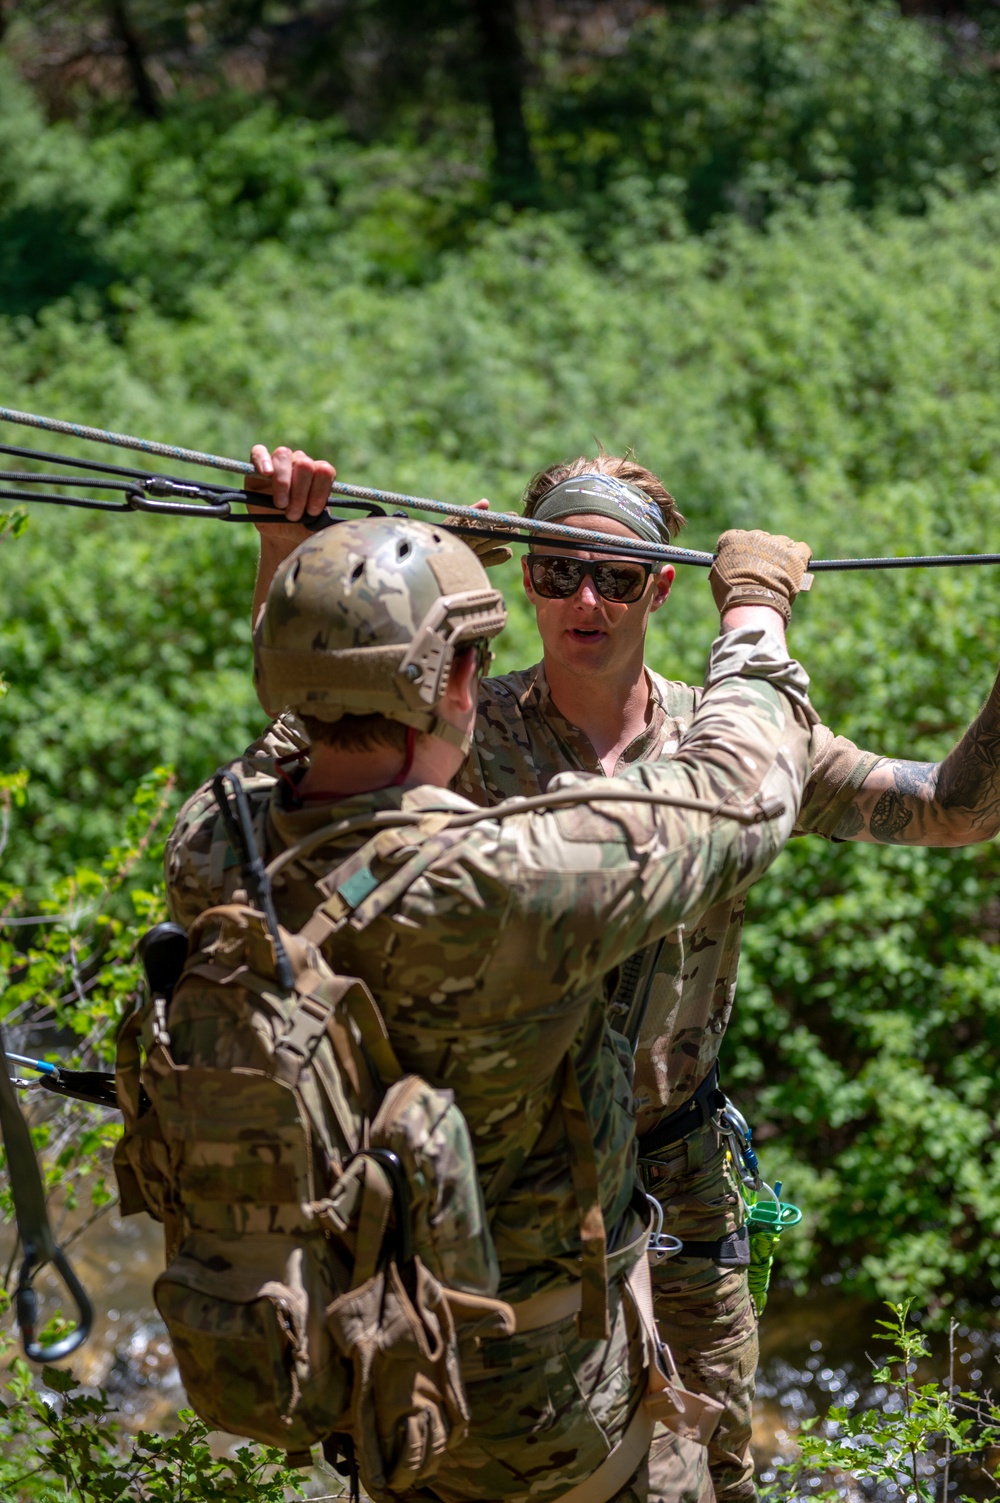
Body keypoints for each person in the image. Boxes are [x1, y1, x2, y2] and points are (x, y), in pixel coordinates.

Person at [243, 444, 1000, 1503]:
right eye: (554, 571)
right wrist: (290, 549)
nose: (582, 599)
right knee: (471, 1459)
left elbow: (953, 810)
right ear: (522, 583)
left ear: (661, 585)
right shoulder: (458, 726)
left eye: (612, 575)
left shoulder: (723, 734)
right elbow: (303, 767)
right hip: (503, 1173)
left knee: (707, 1452)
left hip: (677, 1162)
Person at [167, 514, 816, 1503]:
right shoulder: (511, 883)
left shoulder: (215, 844)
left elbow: (286, 739)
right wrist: (756, 617)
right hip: (544, 1421)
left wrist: (336, 582)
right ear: (457, 685)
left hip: (375, 1387)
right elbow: (738, 797)